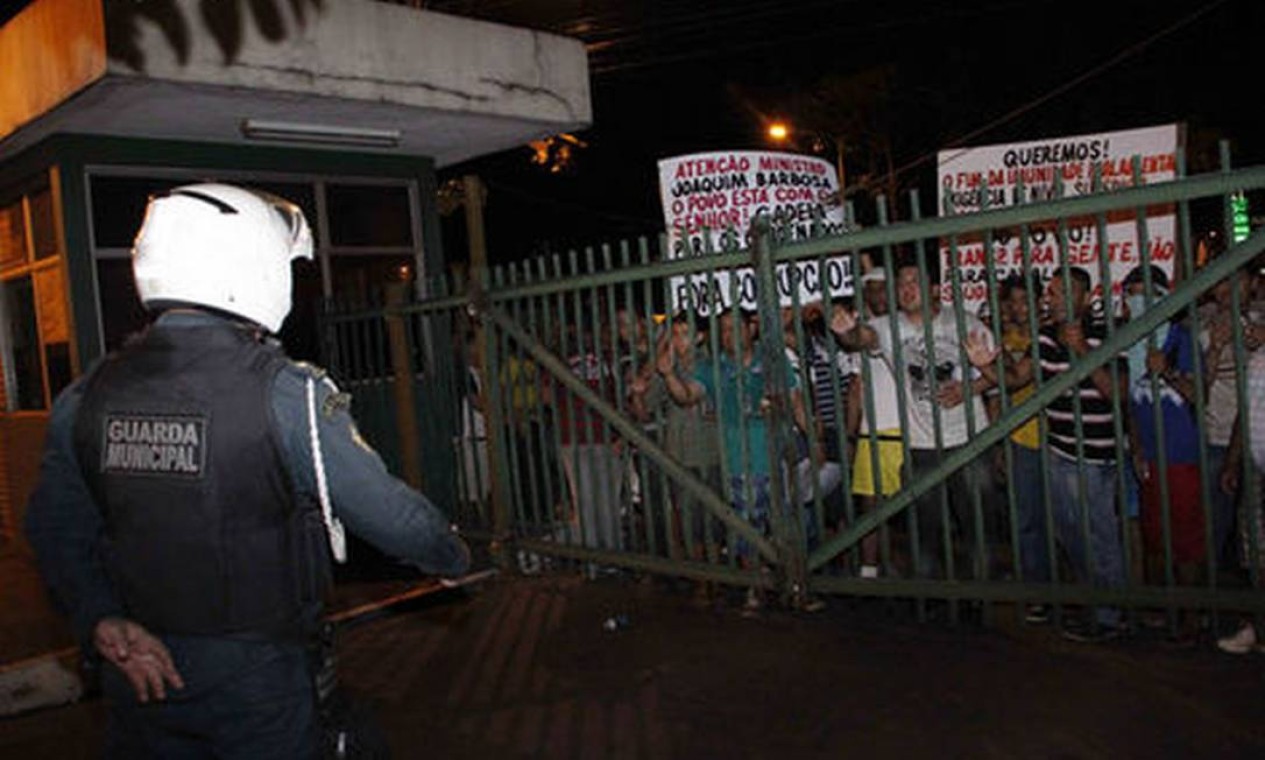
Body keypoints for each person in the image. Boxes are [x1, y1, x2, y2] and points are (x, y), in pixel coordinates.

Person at [23, 183, 471, 758]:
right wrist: (449, 554)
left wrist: (100, 618)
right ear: (248, 265)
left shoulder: (87, 394)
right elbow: (390, 514)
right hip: (258, 676)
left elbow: (54, 529)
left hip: (139, 665)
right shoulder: (283, 392)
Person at [836, 256, 998, 580]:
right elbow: (863, 338)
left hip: (970, 441)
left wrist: (972, 386)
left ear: (934, 289)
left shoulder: (964, 323)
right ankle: (933, 599)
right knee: (926, 531)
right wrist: (847, 332)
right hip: (922, 445)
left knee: (978, 526)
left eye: (914, 281)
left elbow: (1004, 373)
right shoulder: (887, 326)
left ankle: (981, 596)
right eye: (902, 283)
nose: (906, 289)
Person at [1039, 267, 1129, 641]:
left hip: (1095, 455)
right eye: (1051, 292)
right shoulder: (1044, 337)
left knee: (1100, 535)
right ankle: (1094, 599)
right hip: (1059, 448)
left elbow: (1118, 394)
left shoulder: (1108, 333)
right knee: (1069, 532)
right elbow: (1023, 378)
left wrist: (1082, 351)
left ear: (1085, 297)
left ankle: (1110, 615)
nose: (1053, 298)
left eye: (1062, 292)